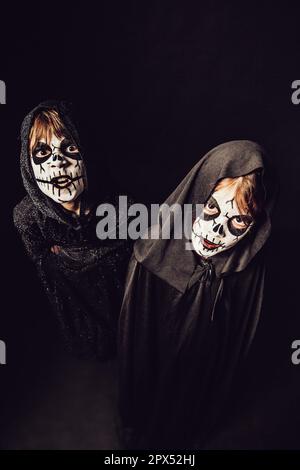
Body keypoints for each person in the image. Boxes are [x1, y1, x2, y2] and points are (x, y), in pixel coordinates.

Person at [118, 140, 278, 449]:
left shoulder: (246, 273)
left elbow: (234, 343)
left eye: (239, 221)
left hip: (195, 378)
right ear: (196, 196)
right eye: (211, 209)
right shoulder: (149, 255)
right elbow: (134, 340)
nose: (216, 231)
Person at [14, 101, 132, 360]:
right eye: (42, 152)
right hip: (81, 315)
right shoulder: (28, 217)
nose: (58, 163)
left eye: (70, 147)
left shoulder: (115, 205)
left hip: (121, 308)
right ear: (28, 162)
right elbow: (39, 257)